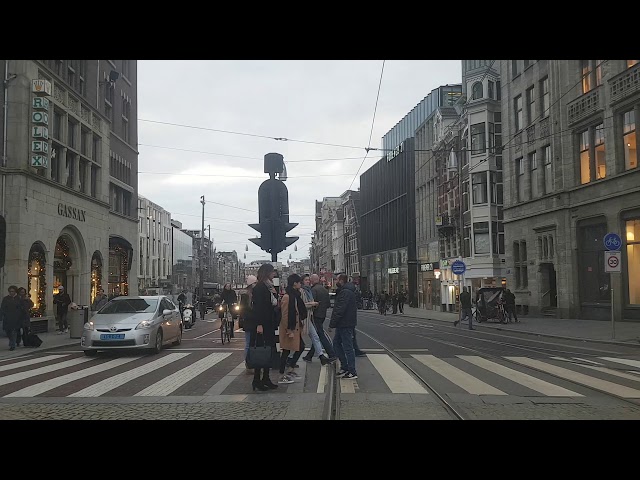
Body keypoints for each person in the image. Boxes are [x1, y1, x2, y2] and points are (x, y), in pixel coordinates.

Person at [245, 263, 279, 391]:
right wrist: (259, 324)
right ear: (267, 273)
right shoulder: (260, 287)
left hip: (268, 324)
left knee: (267, 351)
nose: (274, 274)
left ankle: (265, 378)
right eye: (272, 272)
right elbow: (258, 308)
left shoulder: (268, 287)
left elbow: (273, 303)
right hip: (263, 325)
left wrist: (275, 294)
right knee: (261, 352)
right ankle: (258, 380)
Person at [299, 274, 336, 366]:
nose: (308, 282)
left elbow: (307, 303)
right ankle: (311, 355)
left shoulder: (313, 290)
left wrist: (314, 306)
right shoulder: (324, 289)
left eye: (309, 280)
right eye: (307, 280)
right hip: (320, 315)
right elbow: (328, 303)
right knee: (316, 335)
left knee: (318, 335)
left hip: (314, 316)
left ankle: (330, 353)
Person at [278, 274, 307, 384]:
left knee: (300, 347)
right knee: (286, 350)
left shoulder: (295, 296)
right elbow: (285, 315)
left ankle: (290, 370)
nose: (301, 284)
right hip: (289, 328)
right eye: (299, 282)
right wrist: (288, 330)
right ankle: (282, 375)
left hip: (295, 327)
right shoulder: (287, 297)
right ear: (294, 283)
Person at [330, 274, 358, 379]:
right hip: (343, 323)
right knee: (336, 344)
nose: (336, 281)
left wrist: (332, 323)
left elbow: (340, 309)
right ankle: (345, 367)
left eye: (337, 279)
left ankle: (352, 371)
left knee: (347, 347)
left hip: (345, 323)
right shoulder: (344, 291)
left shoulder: (345, 292)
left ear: (341, 281)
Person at [240, 275, 258, 373]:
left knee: (252, 343)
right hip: (249, 322)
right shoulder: (245, 296)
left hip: (253, 322)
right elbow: (243, 310)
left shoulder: (256, 294)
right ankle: (248, 364)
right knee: (248, 344)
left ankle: (252, 363)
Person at [1, 286, 23, 351]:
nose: (11, 293)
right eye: (10, 291)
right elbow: (2, 308)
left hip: (15, 318)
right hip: (7, 318)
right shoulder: (6, 299)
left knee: (13, 332)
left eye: (12, 291)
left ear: (15, 292)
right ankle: (14, 341)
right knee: (8, 332)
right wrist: (2, 315)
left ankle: (12, 345)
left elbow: (21, 308)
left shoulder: (18, 299)